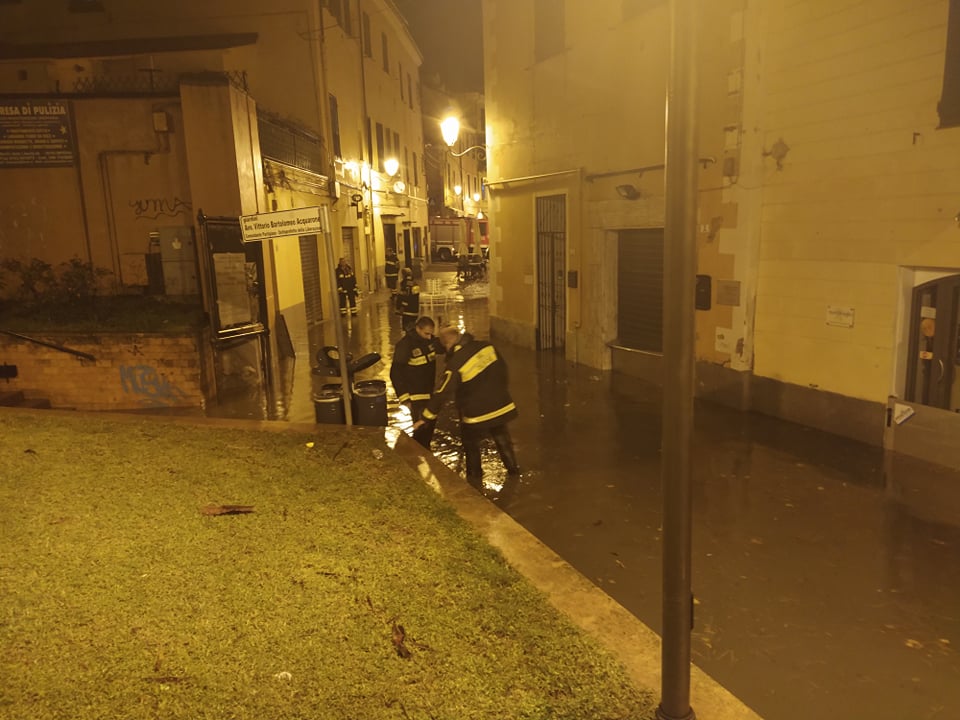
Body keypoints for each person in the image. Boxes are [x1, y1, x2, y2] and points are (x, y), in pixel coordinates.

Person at [414, 326, 519, 488]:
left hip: (476, 414)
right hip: (501, 406)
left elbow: (443, 392)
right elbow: (503, 370)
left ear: (447, 344)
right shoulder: (487, 347)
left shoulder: (456, 362)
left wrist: (425, 417)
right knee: (502, 438)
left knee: (471, 445)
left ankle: (474, 483)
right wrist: (500, 392)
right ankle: (514, 473)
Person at [390, 316, 438, 448]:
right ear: (418, 329)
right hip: (416, 397)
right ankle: (416, 454)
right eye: (426, 333)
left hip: (429, 394)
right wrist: (404, 398)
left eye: (431, 334)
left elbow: (442, 346)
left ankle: (423, 453)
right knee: (421, 429)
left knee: (429, 427)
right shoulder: (405, 345)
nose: (429, 337)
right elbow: (395, 373)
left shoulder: (429, 342)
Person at [396, 267, 420, 331]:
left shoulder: (404, 284)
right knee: (412, 329)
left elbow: (405, 297)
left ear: (403, 275)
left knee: (407, 329)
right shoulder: (415, 283)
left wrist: (402, 307)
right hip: (415, 311)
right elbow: (415, 297)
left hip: (407, 311)